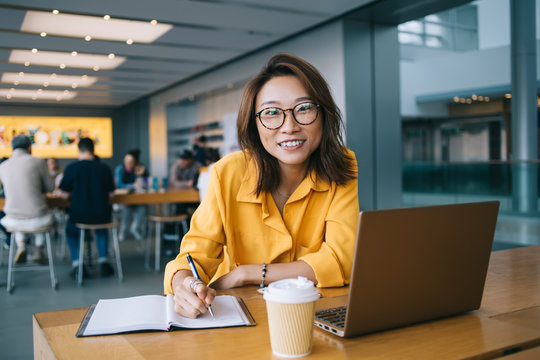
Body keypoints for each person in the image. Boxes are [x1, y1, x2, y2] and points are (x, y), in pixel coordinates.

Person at [164, 53, 359, 318]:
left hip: (310, 313)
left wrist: (248, 273)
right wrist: (183, 283)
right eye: (271, 113)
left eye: (304, 108)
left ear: (323, 114)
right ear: (254, 124)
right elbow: (193, 258)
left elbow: (342, 259)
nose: (289, 126)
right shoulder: (228, 173)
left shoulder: (342, 165)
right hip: (238, 312)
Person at [58, 137, 116, 278]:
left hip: (80, 216)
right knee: (101, 227)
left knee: (70, 230)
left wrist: (59, 192)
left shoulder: (72, 168)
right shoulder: (104, 168)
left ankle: (78, 265)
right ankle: (104, 262)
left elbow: (65, 195)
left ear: (79, 150)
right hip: (102, 215)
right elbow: (112, 193)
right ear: (93, 150)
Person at [0, 135, 54, 264]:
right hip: (38, 218)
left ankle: (21, 245)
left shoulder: (3, 166)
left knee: (19, 216)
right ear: (29, 147)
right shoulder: (38, 161)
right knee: (42, 213)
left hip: (13, 220)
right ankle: (38, 248)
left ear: (12, 147)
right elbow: (50, 188)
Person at [114, 149, 148, 241]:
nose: (128, 164)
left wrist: (140, 179)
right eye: (127, 162)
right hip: (124, 199)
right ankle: (124, 230)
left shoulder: (139, 168)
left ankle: (135, 228)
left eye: (131, 162)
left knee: (143, 208)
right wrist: (132, 185)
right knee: (126, 209)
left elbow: (146, 182)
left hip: (138, 199)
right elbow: (119, 184)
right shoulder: (120, 169)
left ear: (135, 162)